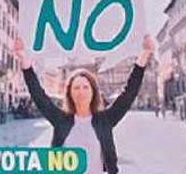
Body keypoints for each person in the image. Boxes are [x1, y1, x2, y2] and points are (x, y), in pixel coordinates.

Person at [14, 35, 152, 174]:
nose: (81, 92)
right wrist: (23, 58)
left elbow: (128, 94)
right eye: (76, 88)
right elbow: (38, 96)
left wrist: (144, 55)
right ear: (69, 93)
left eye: (86, 87)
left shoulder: (105, 120)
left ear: (93, 91)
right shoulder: (61, 120)